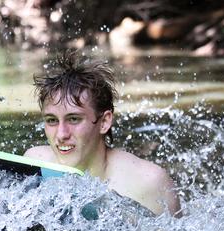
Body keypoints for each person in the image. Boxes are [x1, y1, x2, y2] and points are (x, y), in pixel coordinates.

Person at [24, 51, 181, 216]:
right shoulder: (35, 163)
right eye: (52, 120)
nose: (61, 134)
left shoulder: (149, 182)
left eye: (74, 119)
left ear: (104, 122)